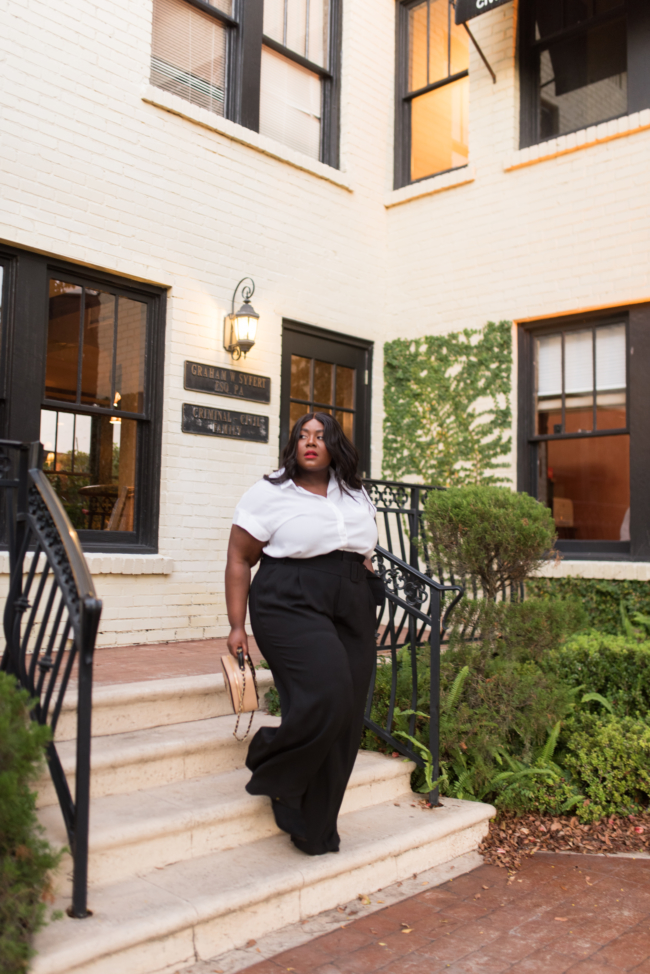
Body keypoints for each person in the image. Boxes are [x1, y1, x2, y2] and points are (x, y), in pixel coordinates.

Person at [225, 412, 380, 856]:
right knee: (328, 694)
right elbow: (239, 558)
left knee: (348, 717)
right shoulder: (269, 492)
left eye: (321, 436)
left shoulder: (354, 492)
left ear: (335, 445)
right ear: (292, 445)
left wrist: (368, 590)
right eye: (302, 436)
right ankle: (269, 758)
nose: (310, 443)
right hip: (289, 598)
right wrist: (237, 624)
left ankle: (313, 826)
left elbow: (364, 550)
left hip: (350, 601)